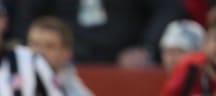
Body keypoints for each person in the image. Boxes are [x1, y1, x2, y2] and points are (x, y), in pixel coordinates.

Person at [12, 0, 185, 67]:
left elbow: (168, 8)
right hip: (65, 60)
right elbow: (26, 15)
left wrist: (147, 47)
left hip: (124, 62)